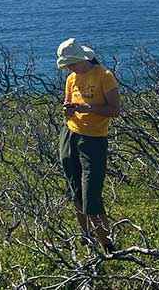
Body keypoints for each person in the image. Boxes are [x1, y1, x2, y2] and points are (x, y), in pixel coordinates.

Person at [57, 37, 121, 253]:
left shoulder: (105, 76)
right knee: (75, 190)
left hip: (93, 139)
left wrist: (88, 108)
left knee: (91, 195)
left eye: (71, 64)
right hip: (70, 134)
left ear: (83, 59)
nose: (69, 69)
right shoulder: (71, 78)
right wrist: (69, 109)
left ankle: (107, 244)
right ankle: (86, 236)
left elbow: (114, 110)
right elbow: (68, 106)